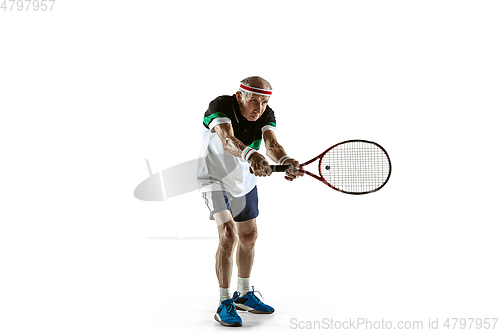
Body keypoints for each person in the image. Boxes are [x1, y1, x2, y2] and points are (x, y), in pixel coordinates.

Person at [197, 76, 303, 327]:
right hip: (215, 179)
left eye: (264, 102)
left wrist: (286, 159)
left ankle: (243, 294)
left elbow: (272, 145)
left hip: (244, 182)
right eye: (254, 100)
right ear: (239, 96)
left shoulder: (266, 115)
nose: (259, 108)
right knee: (228, 235)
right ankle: (224, 302)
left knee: (249, 236)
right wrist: (251, 154)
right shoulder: (220, 106)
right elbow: (227, 140)